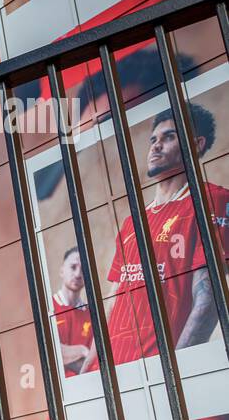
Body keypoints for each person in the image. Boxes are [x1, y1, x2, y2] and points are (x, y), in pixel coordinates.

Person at [83, 105, 229, 372]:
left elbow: (209, 299)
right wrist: (88, 370)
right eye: (153, 140)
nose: (156, 146)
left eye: (169, 137)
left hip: (157, 371)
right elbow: (113, 300)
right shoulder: (132, 222)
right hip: (110, 373)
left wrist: (177, 370)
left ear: (196, 145)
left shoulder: (211, 199)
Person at [52, 246, 93, 376]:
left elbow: (95, 361)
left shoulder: (92, 315)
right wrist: (82, 350)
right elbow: (50, 352)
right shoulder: (48, 308)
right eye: (73, 267)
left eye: (83, 269)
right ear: (61, 271)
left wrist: (67, 353)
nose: (78, 274)